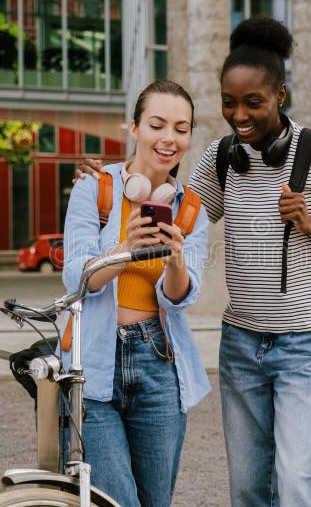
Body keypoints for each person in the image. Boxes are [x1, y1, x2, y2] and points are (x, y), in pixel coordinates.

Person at [76, 17, 311, 507]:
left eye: (253, 103)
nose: (238, 115)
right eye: (228, 102)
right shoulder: (222, 157)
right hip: (241, 343)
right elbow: (172, 201)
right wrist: (109, 176)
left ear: (280, 95)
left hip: (307, 340)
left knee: (298, 477)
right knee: (246, 487)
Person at [61, 79, 211, 507]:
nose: (169, 138)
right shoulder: (95, 188)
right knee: (114, 501)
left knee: (155, 502)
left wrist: (177, 258)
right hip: (92, 362)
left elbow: (180, 298)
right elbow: (77, 280)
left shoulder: (188, 207)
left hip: (160, 364)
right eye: (157, 125)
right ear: (134, 128)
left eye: (181, 129)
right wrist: (125, 249)